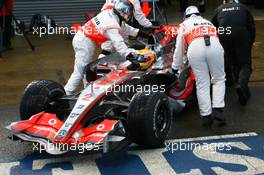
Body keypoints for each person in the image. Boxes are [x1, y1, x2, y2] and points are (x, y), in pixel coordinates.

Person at [64, 0, 141, 95]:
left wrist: (141, 33)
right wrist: (130, 57)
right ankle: (67, 92)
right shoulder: (111, 23)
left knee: (85, 70)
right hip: (84, 41)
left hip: (83, 39)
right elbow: (118, 43)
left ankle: (87, 91)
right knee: (80, 71)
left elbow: (125, 28)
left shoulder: (110, 14)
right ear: (124, 12)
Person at [171, 6, 226, 126]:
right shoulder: (209, 22)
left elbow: (179, 49)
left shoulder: (184, 25)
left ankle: (206, 116)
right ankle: (219, 112)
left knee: (202, 83)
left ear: (185, 15)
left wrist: (175, 67)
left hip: (195, 49)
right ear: (198, 14)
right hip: (215, 47)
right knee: (219, 79)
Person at [212, 0, 255, 106]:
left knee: (233, 62)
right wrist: (250, 43)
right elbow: (251, 27)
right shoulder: (243, 7)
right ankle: (241, 85)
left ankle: (236, 84)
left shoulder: (219, 9)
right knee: (245, 65)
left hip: (224, 34)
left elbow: (212, 26)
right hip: (241, 34)